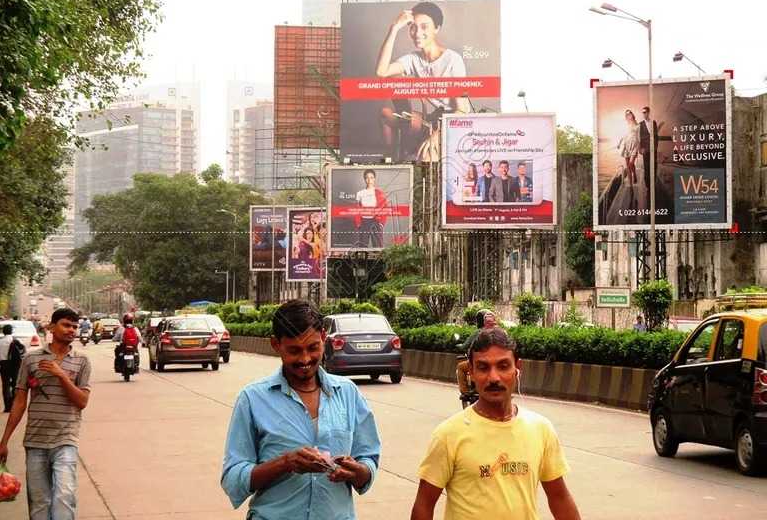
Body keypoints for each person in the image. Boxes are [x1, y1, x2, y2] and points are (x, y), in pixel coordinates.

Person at [221, 299, 381, 519]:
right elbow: (233, 479)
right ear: (276, 345)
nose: (305, 359)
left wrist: (358, 472)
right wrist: (285, 463)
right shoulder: (252, 399)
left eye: (313, 348)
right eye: (294, 350)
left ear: (324, 338)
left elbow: (368, 462)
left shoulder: (348, 393)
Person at [412, 328, 581, 520]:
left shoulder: (540, 429)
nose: (494, 378)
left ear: (517, 368)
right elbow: (423, 506)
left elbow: (559, 498)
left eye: (503, 366)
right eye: (483, 367)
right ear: (471, 372)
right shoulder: (448, 434)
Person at [0, 308, 92, 520]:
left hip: (65, 439)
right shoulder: (31, 359)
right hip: (35, 441)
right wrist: (4, 440)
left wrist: (61, 375)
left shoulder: (82, 360)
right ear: (51, 327)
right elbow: (20, 401)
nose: (71, 330)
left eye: (75, 327)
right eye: (66, 325)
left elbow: (82, 401)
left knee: (64, 497)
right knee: (39, 502)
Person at [377, 1, 470, 161]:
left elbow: (461, 110)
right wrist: (394, 28)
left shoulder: (453, 60)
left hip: (453, 122)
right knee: (386, 115)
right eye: (413, 26)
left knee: (427, 155)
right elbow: (381, 71)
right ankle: (391, 160)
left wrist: (436, 136)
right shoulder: (414, 59)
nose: (417, 32)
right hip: (432, 118)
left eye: (424, 26)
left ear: (437, 28)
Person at [456, 309, 497, 396]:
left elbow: (466, 346)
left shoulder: (479, 333)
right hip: (496, 362)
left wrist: (459, 345)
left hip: (481, 362)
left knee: (461, 367)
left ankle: (465, 391)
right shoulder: (500, 333)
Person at [354, 169, 388, 248]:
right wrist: (359, 224)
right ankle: (362, 260)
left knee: (378, 246)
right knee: (362, 246)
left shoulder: (380, 193)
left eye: (371, 177)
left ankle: (379, 260)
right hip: (364, 222)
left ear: (374, 179)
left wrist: (381, 223)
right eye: (367, 177)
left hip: (376, 221)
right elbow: (357, 209)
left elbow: (384, 209)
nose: (369, 180)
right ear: (364, 179)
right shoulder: (360, 193)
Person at [0, 324, 24, 412]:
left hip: (3, 364)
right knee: (15, 384)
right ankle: (14, 404)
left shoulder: (0, 342)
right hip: (15, 364)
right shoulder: (16, 340)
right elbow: (22, 351)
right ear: (11, 331)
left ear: (3, 332)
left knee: (5, 385)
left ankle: (7, 407)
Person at [639, 106, 660, 190]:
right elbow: (639, 137)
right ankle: (648, 185)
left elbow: (656, 136)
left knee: (654, 166)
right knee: (647, 167)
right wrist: (641, 148)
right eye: (642, 112)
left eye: (645, 112)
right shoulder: (640, 124)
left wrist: (655, 147)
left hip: (653, 149)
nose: (644, 114)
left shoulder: (653, 122)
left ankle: (653, 183)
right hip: (645, 150)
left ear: (648, 113)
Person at [618, 109, 640, 187]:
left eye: (629, 113)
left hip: (634, 146)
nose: (628, 115)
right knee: (628, 165)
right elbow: (623, 135)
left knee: (631, 163)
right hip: (626, 146)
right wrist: (619, 143)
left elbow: (639, 138)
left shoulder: (637, 125)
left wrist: (639, 148)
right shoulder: (625, 125)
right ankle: (630, 184)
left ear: (632, 115)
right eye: (627, 114)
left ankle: (634, 174)